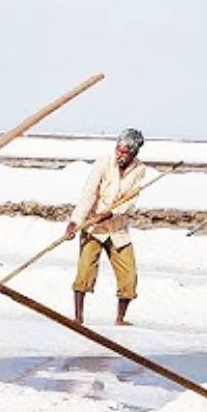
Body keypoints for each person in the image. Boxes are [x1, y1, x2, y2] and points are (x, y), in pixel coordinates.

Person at [64, 128, 147, 325]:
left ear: (134, 153)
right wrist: (75, 221)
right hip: (94, 226)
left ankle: (120, 318)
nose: (120, 154)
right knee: (85, 271)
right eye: (118, 149)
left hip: (117, 227)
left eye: (125, 152)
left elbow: (130, 200)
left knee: (129, 275)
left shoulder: (139, 170)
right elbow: (89, 193)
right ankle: (78, 317)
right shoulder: (103, 163)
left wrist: (111, 213)